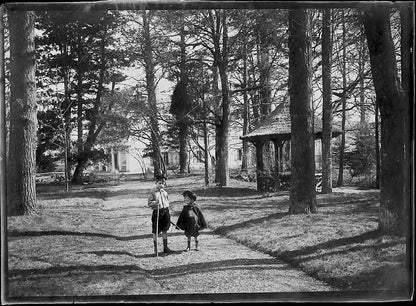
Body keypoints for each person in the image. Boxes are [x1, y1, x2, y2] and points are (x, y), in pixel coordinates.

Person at [148, 174, 172, 256]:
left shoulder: (165, 192)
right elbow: (149, 203)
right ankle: (156, 248)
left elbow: (167, 202)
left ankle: (165, 247)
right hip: (157, 212)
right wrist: (155, 202)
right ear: (156, 183)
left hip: (165, 212)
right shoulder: (152, 192)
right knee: (156, 230)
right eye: (160, 183)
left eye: (163, 183)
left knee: (165, 229)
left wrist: (168, 211)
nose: (161, 185)